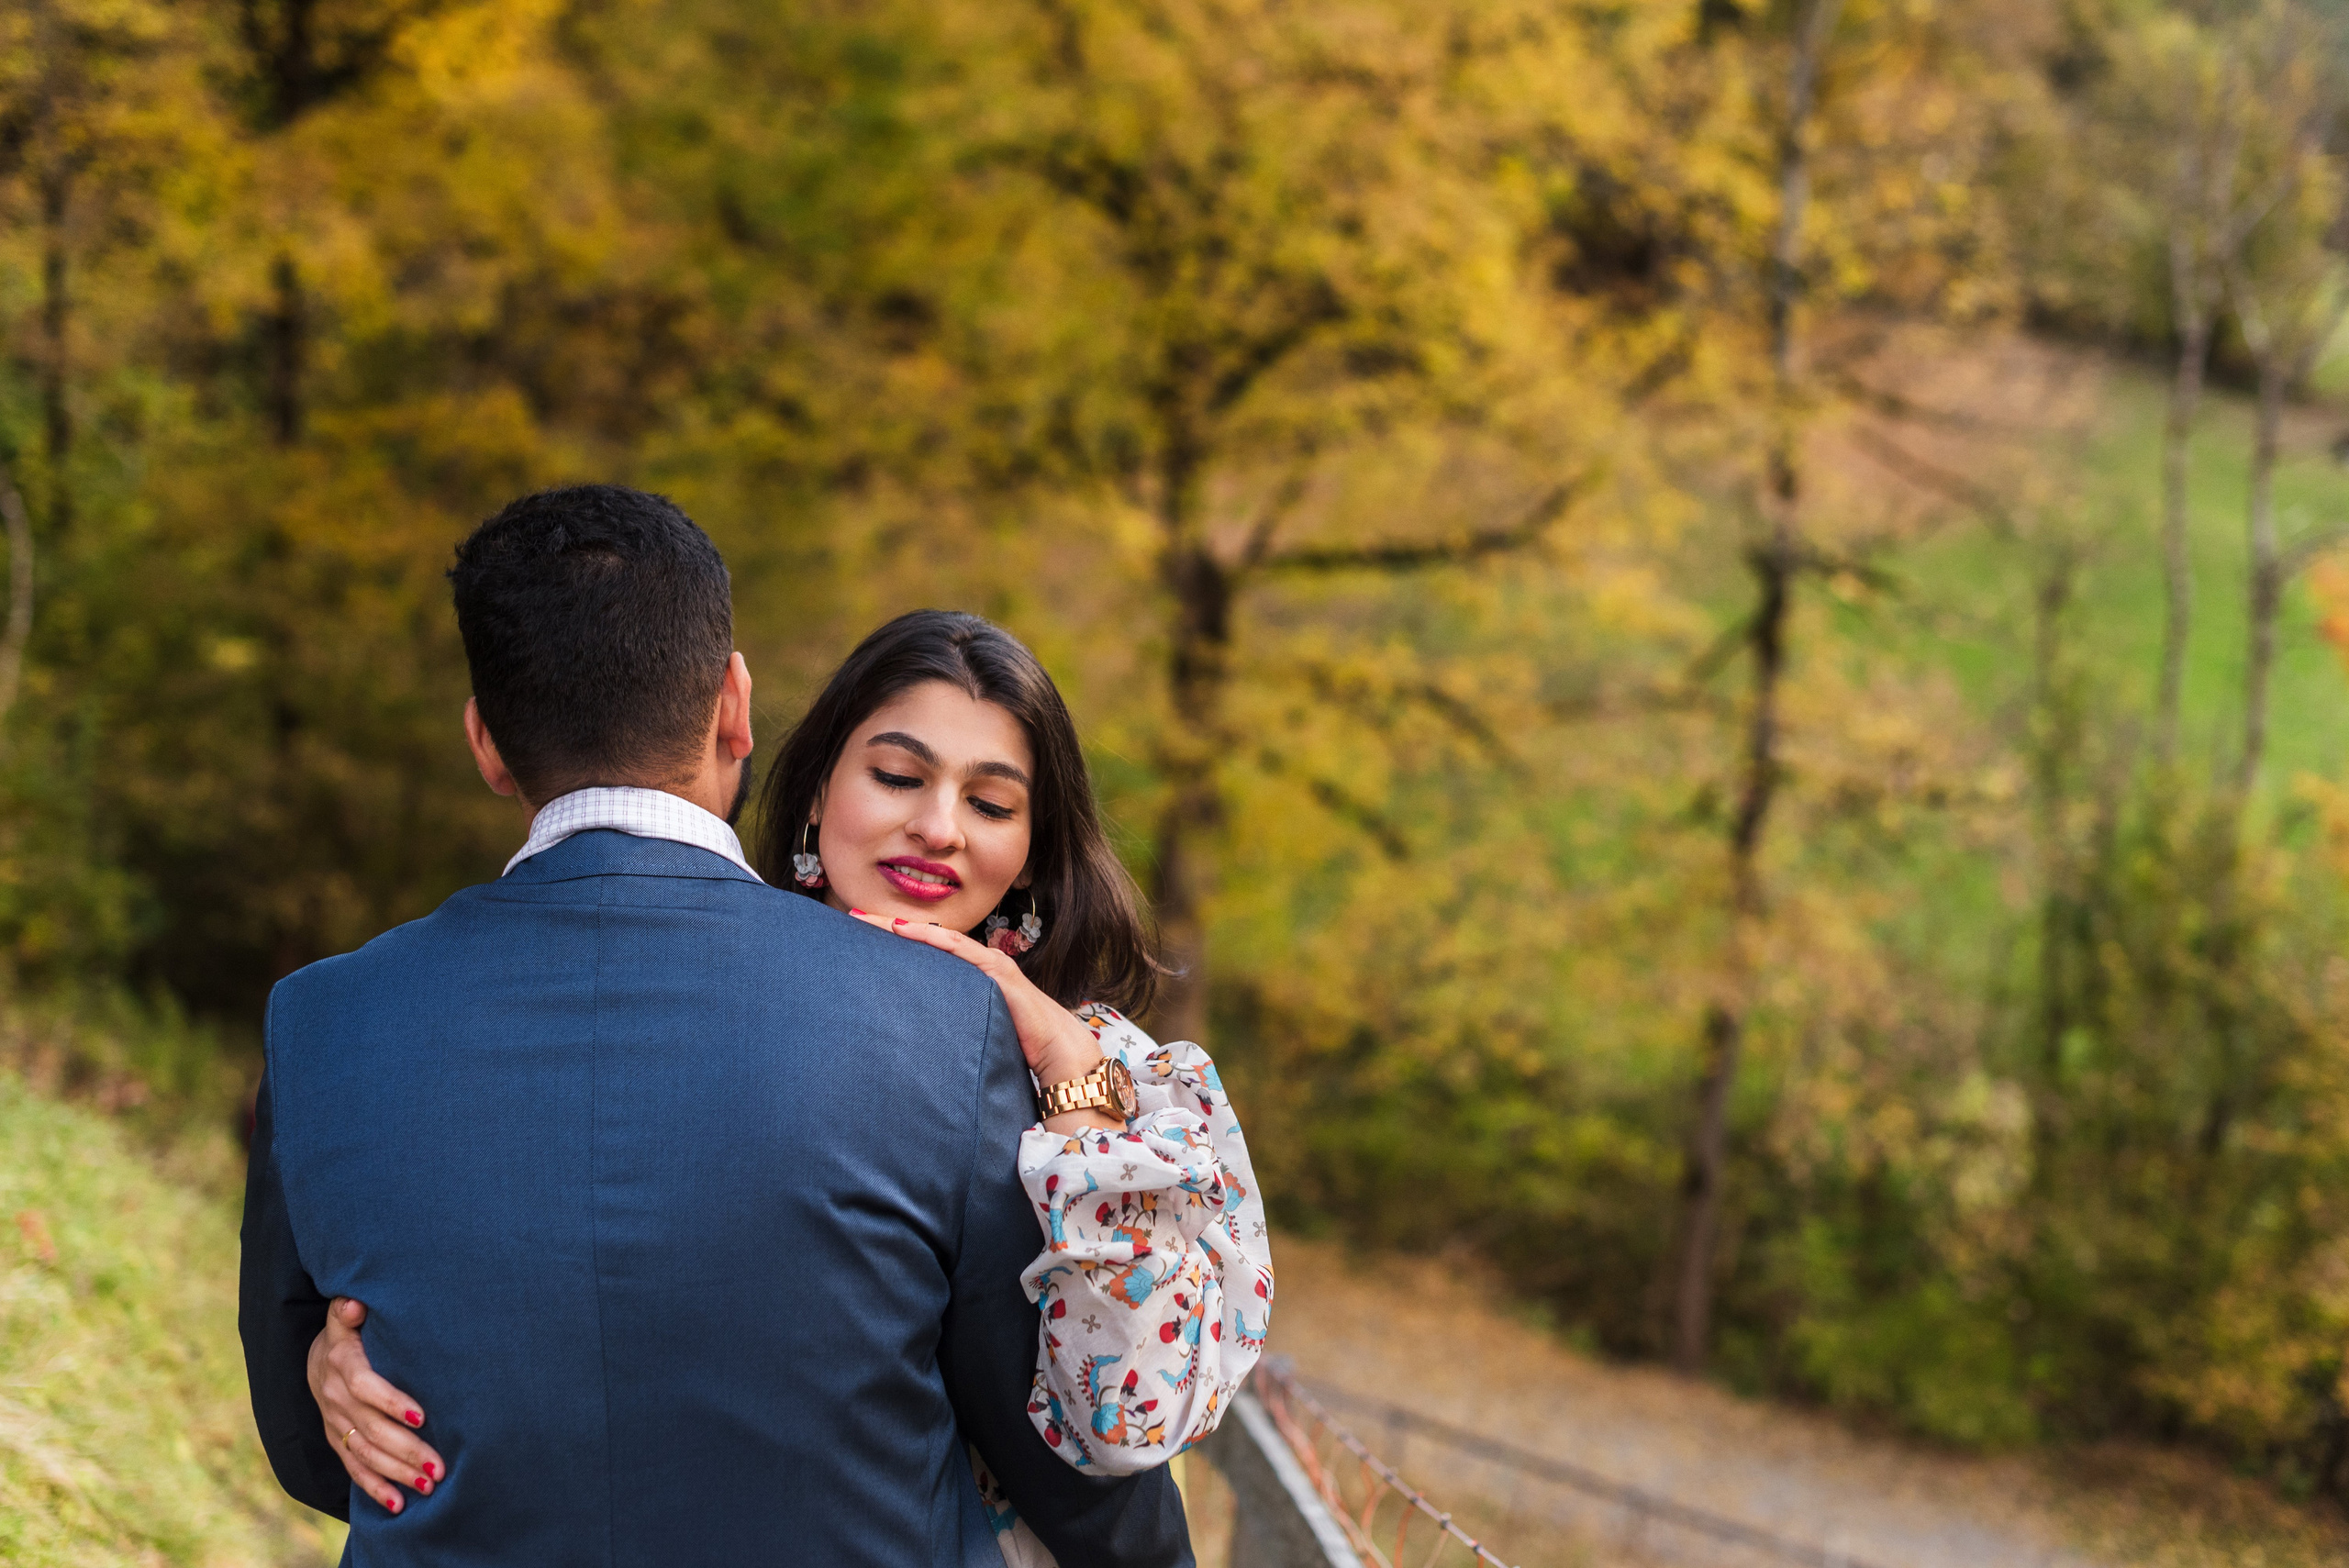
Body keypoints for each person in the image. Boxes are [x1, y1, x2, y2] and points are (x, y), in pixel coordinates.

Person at [239, 487, 1235, 1566]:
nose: (936, 827)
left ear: (485, 740)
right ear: (736, 707)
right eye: (898, 775)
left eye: (991, 802)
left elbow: (306, 1450)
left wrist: (340, 1366)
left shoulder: (322, 1020)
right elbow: (1065, 1466)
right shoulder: (936, 1027)